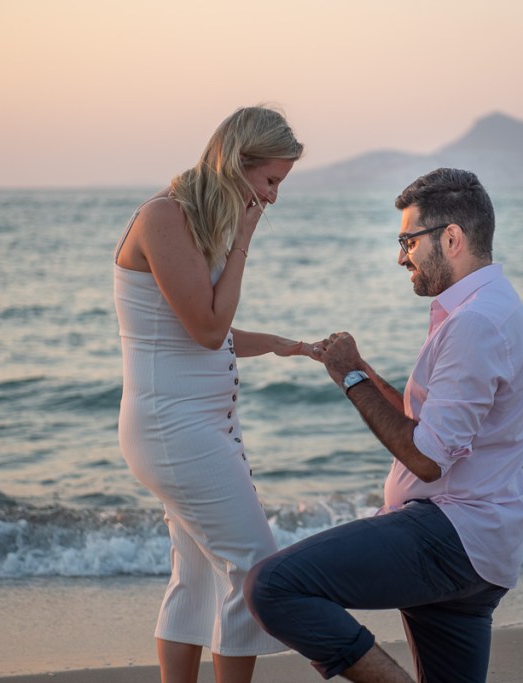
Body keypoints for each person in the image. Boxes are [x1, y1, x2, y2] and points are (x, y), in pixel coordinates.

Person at [245, 167, 523, 683]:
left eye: (408, 241)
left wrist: (351, 378)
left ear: (451, 238)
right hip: (478, 544)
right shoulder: (490, 307)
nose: (401, 257)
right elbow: (426, 424)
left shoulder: (474, 323)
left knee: (272, 586)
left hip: (449, 535)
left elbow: (427, 459)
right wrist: (358, 370)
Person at [113, 106, 315, 683]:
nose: (272, 196)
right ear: (236, 162)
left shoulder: (193, 221)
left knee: (198, 578)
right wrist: (244, 241)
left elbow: (191, 332)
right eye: (270, 180)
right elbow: (206, 329)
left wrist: (279, 345)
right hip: (173, 429)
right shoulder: (164, 216)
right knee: (256, 571)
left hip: (195, 427)